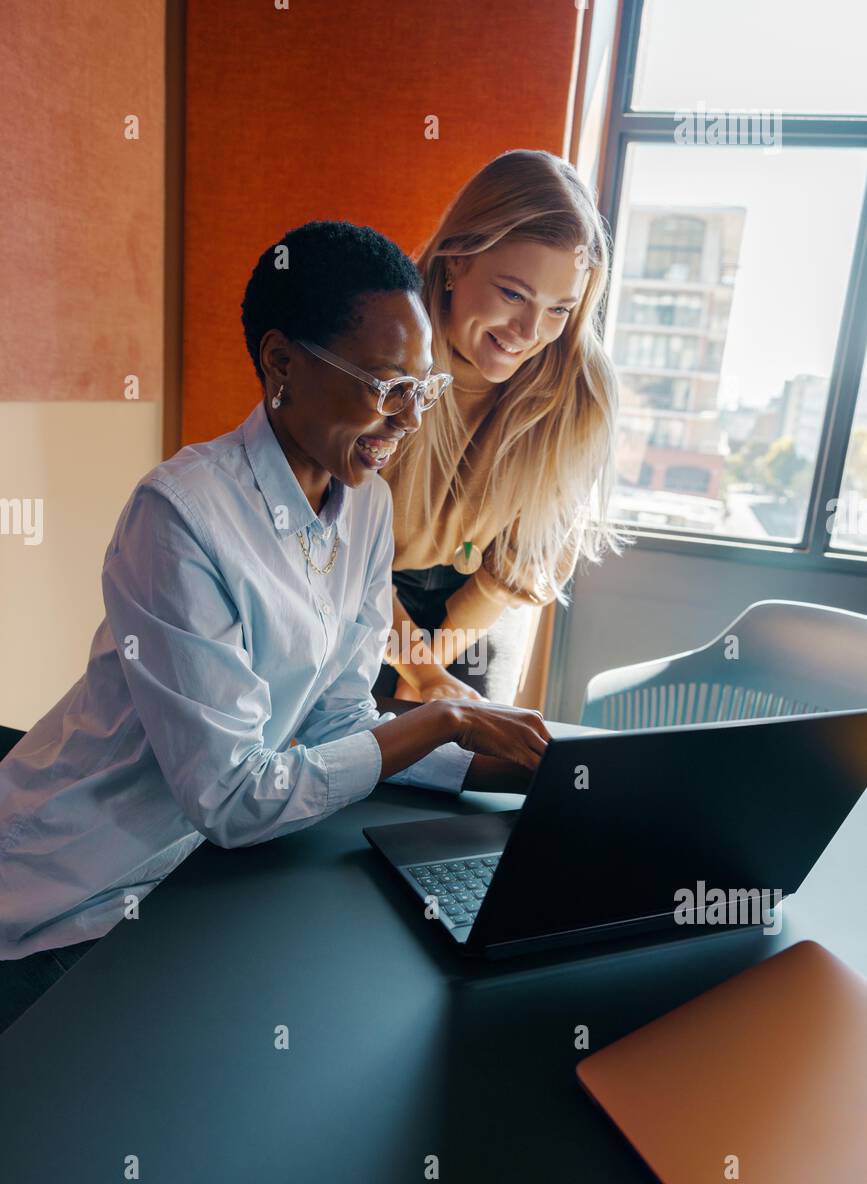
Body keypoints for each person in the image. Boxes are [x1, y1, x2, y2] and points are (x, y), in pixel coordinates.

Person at [0, 221, 549, 960]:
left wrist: (526, 767)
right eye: (387, 386)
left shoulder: (364, 507)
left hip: (189, 876)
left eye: (422, 387)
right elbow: (233, 798)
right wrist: (444, 718)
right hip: (67, 887)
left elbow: (337, 723)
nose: (411, 417)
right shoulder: (181, 515)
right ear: (282, 361)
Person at [372, 149, 620, 707]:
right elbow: (334, 551)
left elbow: (518, 566)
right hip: (368, 592)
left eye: (560, 309)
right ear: (457, 261)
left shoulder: (581, 394)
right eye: (513, 294)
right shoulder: (379, 353)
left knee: (472, 776)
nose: (529, 332)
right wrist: (421, 677)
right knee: (358, 762)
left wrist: (429, 676)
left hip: (482, 595)